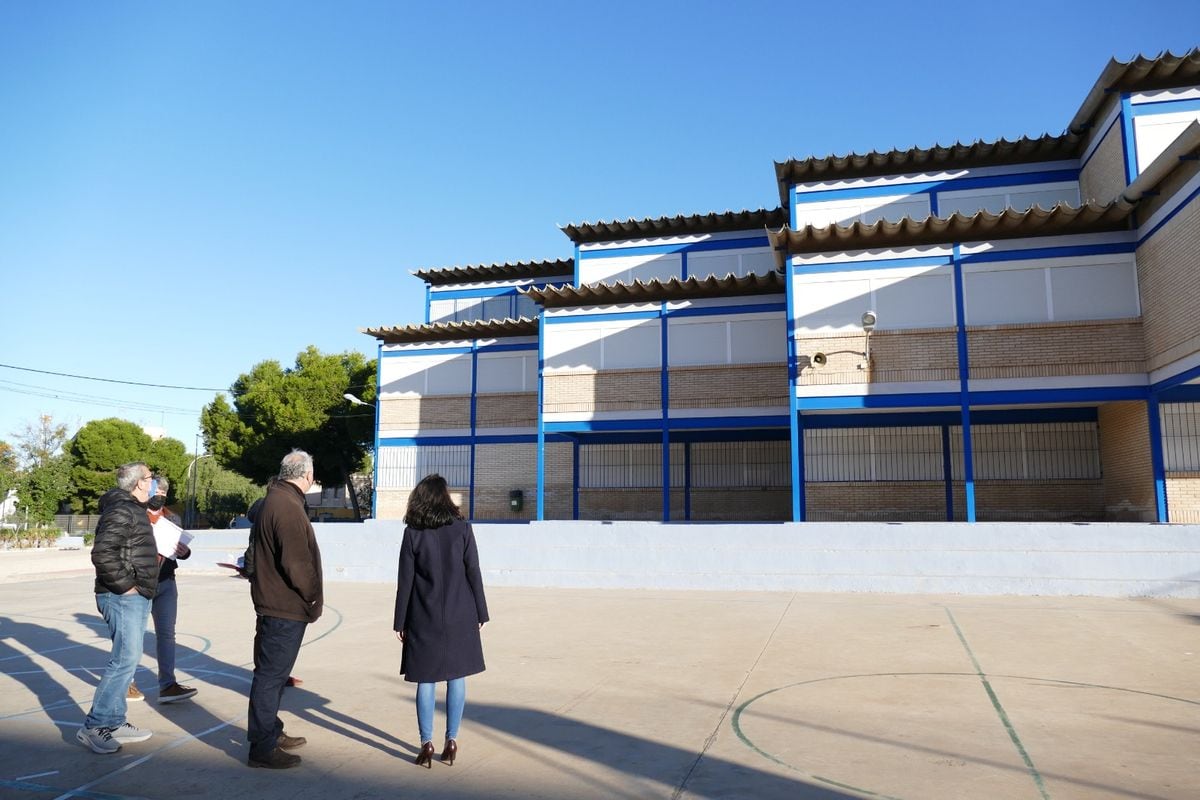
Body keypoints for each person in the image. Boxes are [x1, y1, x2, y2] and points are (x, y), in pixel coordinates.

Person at [394, 473, 489, 768]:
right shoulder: (462, 528)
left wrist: (400, 621)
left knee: (425, 679)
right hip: (461, 612)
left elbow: (405, 581)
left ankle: (427, 743)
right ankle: (451, 740)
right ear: (445, 498)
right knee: (456, 676)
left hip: (424, 614)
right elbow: (473, 570)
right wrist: (481, 612)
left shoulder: (412, 533)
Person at [246, 450, 323, 769]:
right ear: (306, 475)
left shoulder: (276, 500)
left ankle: (270, 731)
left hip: (276, 604)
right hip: (283, 607)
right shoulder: (286, 506)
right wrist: (312, 596)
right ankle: (262, 748)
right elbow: (296, 563)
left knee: (273, 678)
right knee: (270, 677)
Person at [76, 462, 160, 754]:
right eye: (150, 478)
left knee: (129, 658)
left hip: (135, 595)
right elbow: (102, 552)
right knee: (124, 660)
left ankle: (114, 721)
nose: (153, 483)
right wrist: (127, 586)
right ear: (138, 483)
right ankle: (95, 725)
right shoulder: (122, 510)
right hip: (122, 596)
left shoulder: (131, 509)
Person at [135, 475, 198, 705]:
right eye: (156, 491)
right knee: (133, 635)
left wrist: (185, 552)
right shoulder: (136, 515)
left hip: (166, 581)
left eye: (163, 492)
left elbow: (178, 548)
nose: (160, 496)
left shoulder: (172, 517)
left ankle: (168, 685)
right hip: (140, 582)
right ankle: (127, 683)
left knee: (167, 634)